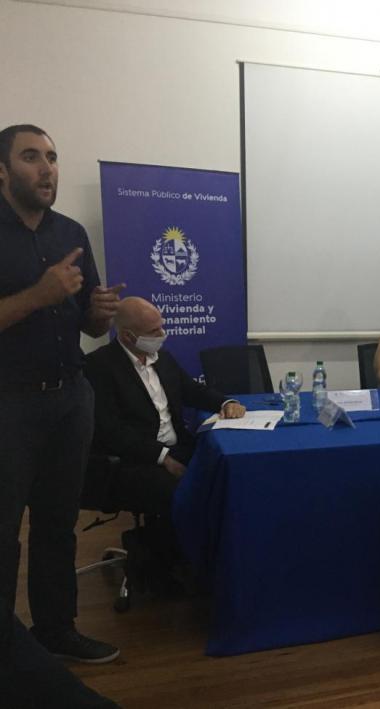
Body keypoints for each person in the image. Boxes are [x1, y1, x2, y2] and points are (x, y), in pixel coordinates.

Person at [0, 124, 122, 664]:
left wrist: (98, 313)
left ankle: (57, 631)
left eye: (51, 157)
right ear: (2, 170)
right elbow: (36, 302)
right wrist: (38, 295)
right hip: (8, 404)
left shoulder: (70, 232)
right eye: (31, 157)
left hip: (71, 399)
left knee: (57, 524)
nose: (47, 168)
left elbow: (90, 327)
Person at [83, 297, 245, 585]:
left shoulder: (164, 359)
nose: (162, 335)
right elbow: (111, 432)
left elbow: (194, 392)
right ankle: (172, 565)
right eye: (154, 331)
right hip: (132, 461)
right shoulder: (100, 366)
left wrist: (227, 401)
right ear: (128, 336)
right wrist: (161, 457)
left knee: (225, 469)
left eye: (161, 327)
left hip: (176, 446)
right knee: (182, 489)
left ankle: (213, 558)